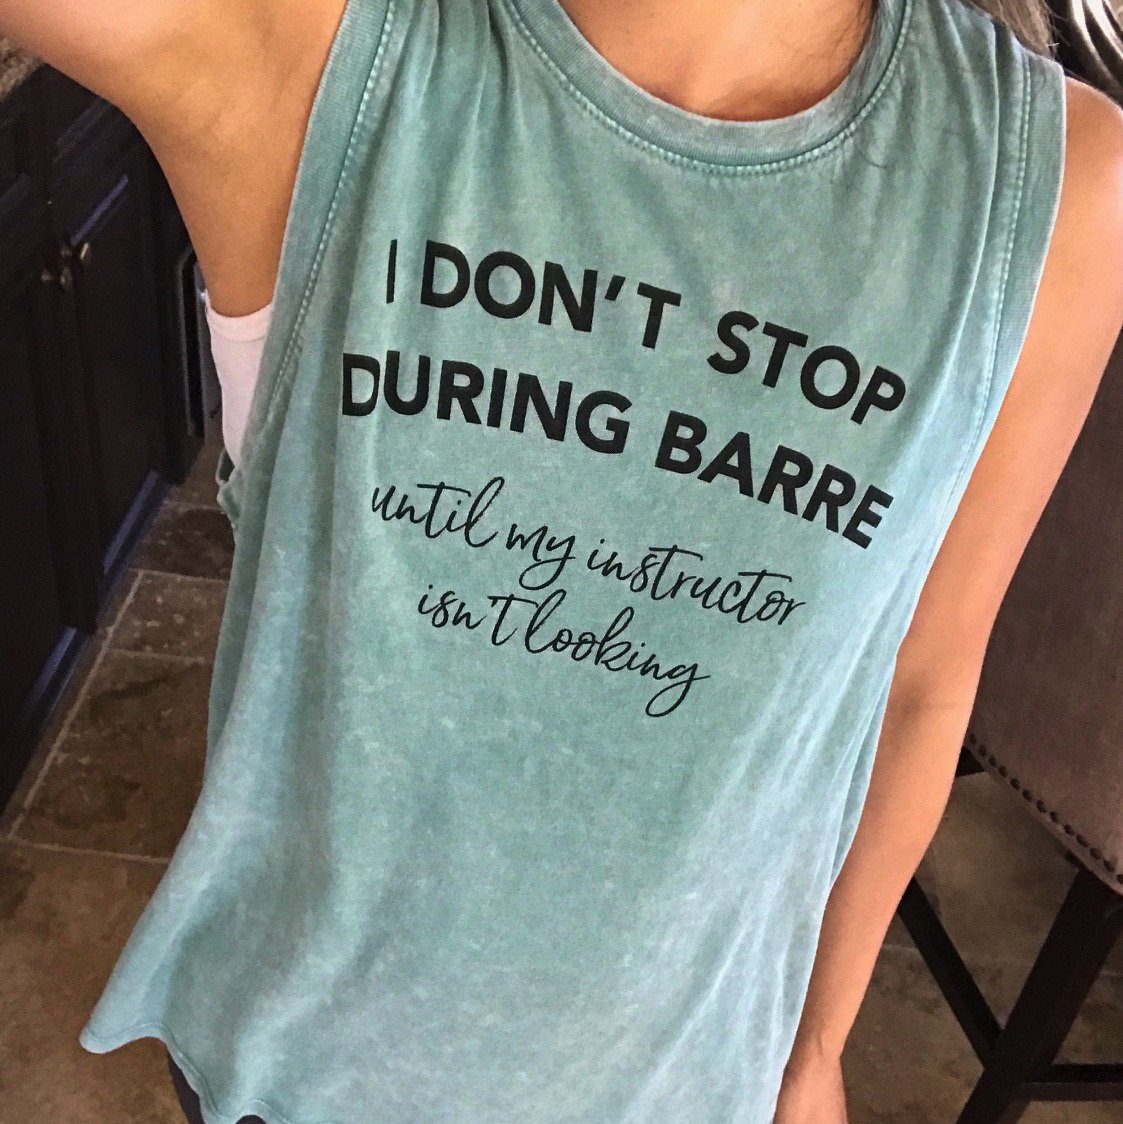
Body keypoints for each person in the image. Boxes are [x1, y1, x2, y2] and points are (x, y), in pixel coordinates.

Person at [4, 0, 1122, 1120]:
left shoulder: (1056, 186)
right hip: (298, 1083)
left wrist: (813, 1048)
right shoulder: (319, 54)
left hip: (685, 1094)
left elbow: (918, 679)